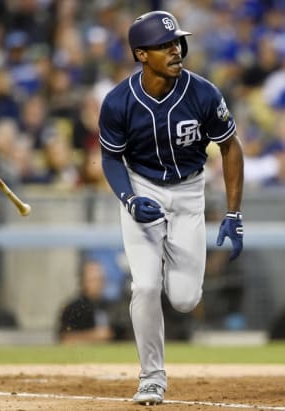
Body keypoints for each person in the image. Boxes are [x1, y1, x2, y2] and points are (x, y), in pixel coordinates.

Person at [98, 10, 244, 405]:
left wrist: (233, 212)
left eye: (176, 42)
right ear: (141, 54)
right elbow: (111, 158)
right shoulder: (118, 102)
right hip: (142, 188)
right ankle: (152, 377)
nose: (175, 50)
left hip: (189, 193)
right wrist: (129, 198)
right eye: (164, 46)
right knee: (144, 286)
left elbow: (230, 147)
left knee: (183, 299)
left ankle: (165, 256)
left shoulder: (203, 93)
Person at [58, 259, 114, 345]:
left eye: (100, 279)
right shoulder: (73, 309)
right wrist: (96, 336)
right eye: (93, 280)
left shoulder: (112, 306)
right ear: (83, 282)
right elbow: (65, 339)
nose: (98, 284)